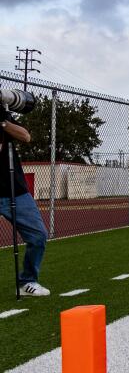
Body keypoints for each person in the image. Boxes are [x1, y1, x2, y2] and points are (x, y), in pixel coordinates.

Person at [0, 108, 50, 296]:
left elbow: (25, 136)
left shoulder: (3, 115)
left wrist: (3, 122)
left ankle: (27, 281)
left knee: (38, 236)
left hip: (16, 191)